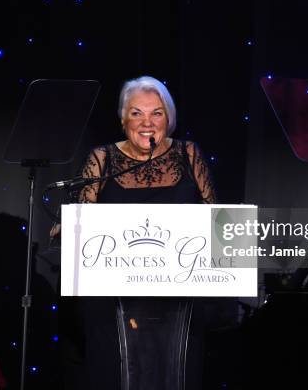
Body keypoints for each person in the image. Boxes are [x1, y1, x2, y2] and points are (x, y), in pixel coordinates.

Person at [71, 75, 217, 390]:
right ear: (124, 119)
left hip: (179, 299)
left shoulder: (189, 154)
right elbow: (79, 227)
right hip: (113, 302)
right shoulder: (102, 159)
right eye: (136, 112)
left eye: (157, 113)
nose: (146, 122)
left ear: (169, 119)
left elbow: (215, 222)